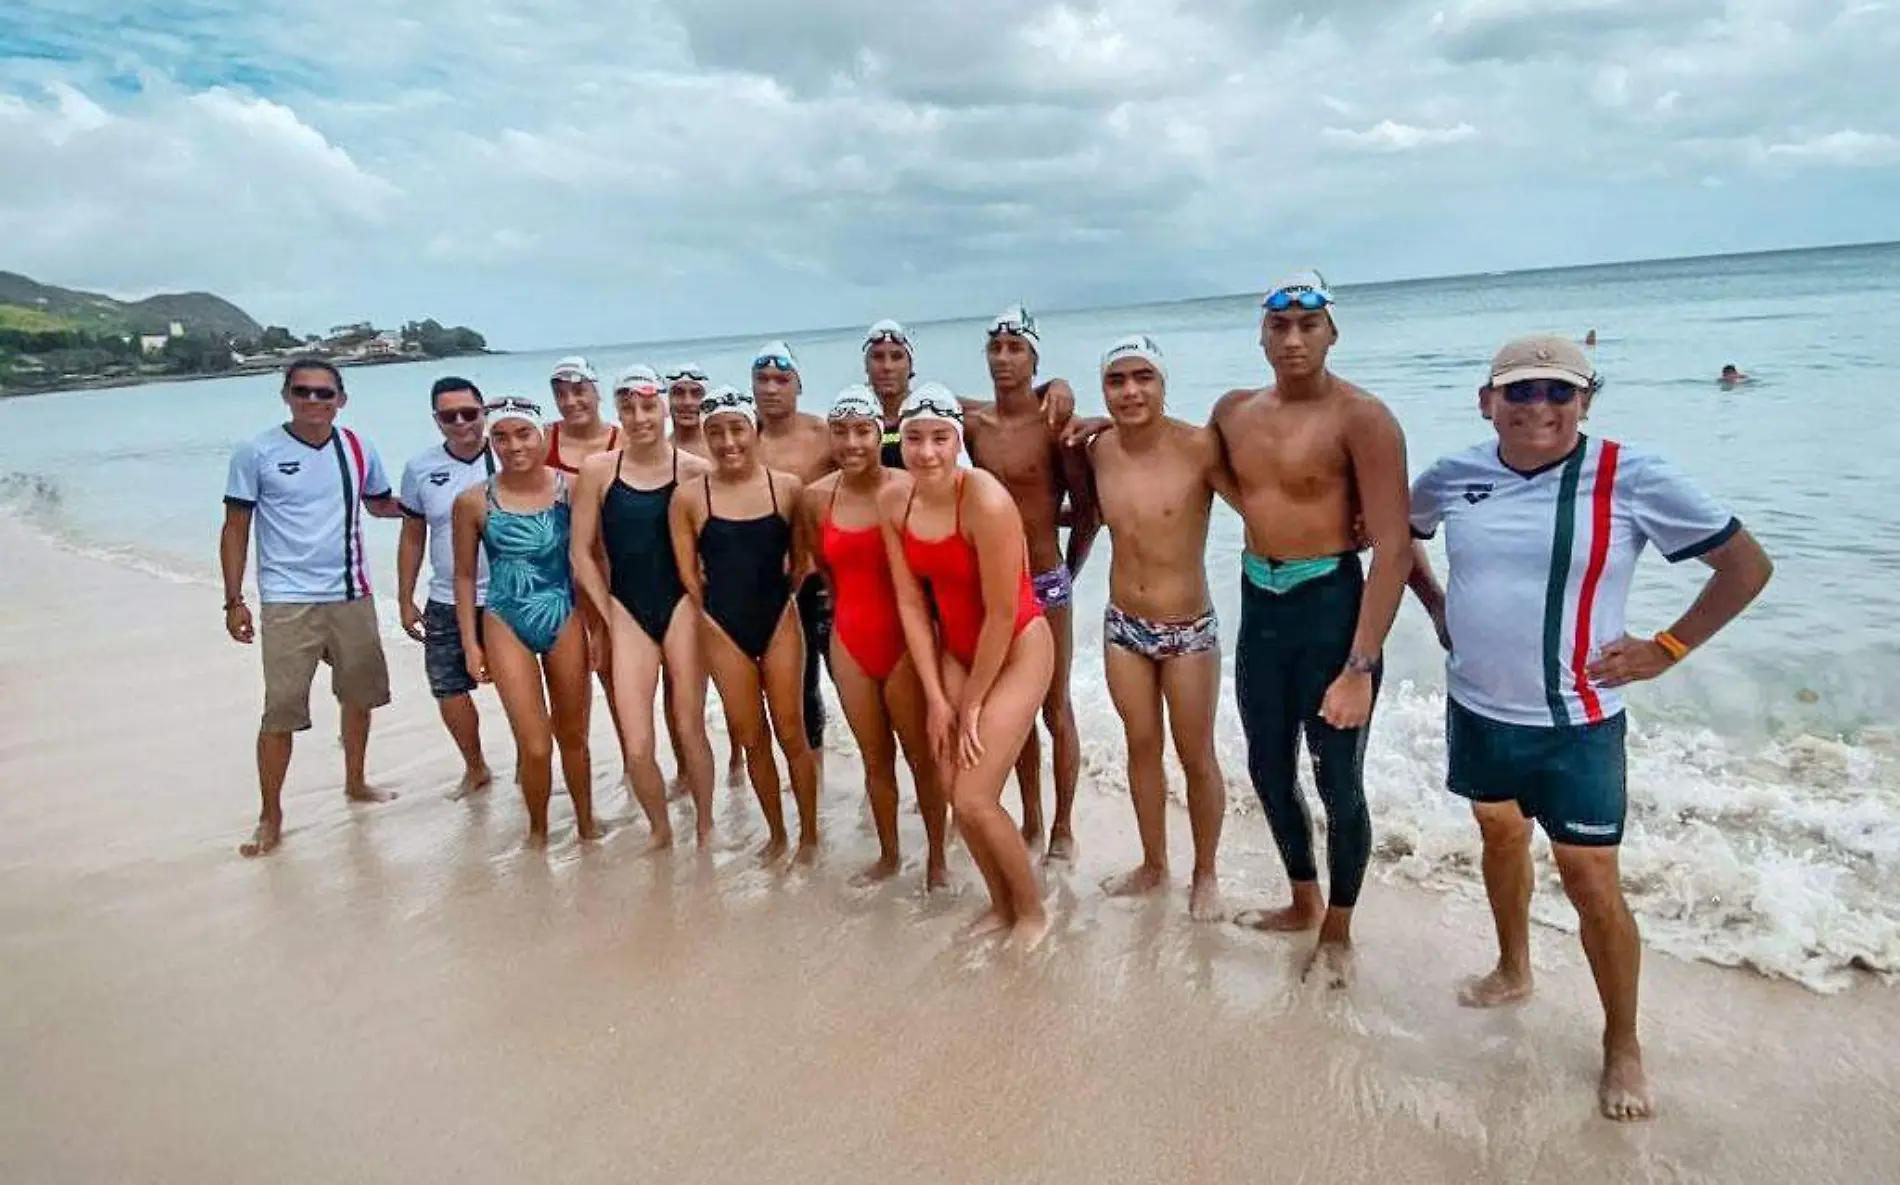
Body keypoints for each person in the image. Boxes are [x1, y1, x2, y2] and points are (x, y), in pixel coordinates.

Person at [1407, 333, 1772, 1122]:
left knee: (1590, 878)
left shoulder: (1632, 476)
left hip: (1578, 720)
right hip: (1476, 705)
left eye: (1558, 392)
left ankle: (1622, 1042)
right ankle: (1513, 968)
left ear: (1586, 401)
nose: (1539, 406)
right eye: (1521, 391)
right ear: (1487, 400)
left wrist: (1666, 648)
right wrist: (1436, 605)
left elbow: (1746, 566)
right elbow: (1398, 530)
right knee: (1498, 833)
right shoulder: (1454, 475)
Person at [1209, 271, 1413, 988]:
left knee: (1339, 780)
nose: (1293, 339)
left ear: (1332, 332)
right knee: (1267, 768)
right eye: (1279, 326)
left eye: (1308, 324)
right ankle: (1301, 898)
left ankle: (1340, 925)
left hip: (1330, 605)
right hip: (1258, 602)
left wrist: (1360, 665)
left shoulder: (1365, 418)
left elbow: (1392, 547)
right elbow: (1183, 456)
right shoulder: (1233, 411)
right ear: (1261, 334)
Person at [882, 389, 1053, 948]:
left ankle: (1032, 913)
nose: (927, 452)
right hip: (959, 652)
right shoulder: (896, 503)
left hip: (1019, 648)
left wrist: (972, 703)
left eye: (940, 438)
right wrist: (936, 696)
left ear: (958, 440)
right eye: (914, 438)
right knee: (956, 792)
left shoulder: (985, 499)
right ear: (899, 442)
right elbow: (910, 603)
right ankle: (1001, 906)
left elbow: (1003, 614)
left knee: (977, 797)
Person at [220, 358, 402, 857]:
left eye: (325, 393)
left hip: (352, 592)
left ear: (341, 399)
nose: (314, 401)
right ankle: (270, 814)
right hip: (287, 601)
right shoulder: (256, 453)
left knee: (359, 694)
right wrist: (234, 600)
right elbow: (235, 527)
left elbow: (381, 503)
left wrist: (443, 502)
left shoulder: (358, 448)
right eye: (303, 392)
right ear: (286, 395)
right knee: (280, 711)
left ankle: (357, 782)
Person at [1083, 336, 1231, 921]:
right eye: (1117, 381)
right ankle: (1153, 864)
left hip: (1188, 628)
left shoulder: (1200, 447)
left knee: (1196, 754)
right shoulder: (1098, 451)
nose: (1130, 390)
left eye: (1143, 377)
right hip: (1123, 625)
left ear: (1163, 383)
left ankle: (1206, 872)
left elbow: (1265, 505)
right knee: (1140, 746)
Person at [962, 306, 1100, 862]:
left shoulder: (1054, 430)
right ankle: (1031, 820)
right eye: (995, 348)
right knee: (1008, 711)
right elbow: (929, 403)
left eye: (1015, 348)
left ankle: (1064, 825)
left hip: (1044, 580)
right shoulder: (974, 428)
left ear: (1034, 357)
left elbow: (1089, 511)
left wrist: (1069, 570)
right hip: (992, 587)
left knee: (1054, 706)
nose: (1003, 358)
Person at [799, 385, 949, 889]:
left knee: (921, 756)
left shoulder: (909, 486)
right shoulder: (817, 498)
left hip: (908, 641)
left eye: (862, 431)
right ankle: (888, 855)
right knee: (874, 757)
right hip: (850, 639)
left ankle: (936, 860)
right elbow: (821, 568)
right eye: (840, 432)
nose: (852, 443)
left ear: (879, 432)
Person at [669, 386, 820, 861]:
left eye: (737, 429)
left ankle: (811, 835)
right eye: (715, 432)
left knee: (792, 730)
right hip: (721, 626)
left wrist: (787, 602)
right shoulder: (689, 498)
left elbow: (802, 561)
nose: (728, 441)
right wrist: (713, 619)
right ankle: (777, 834)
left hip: (778, 619)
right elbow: (689, 575)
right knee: (752, 736)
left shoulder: (787, 487)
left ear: (755, 430)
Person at [571, 365, 717, 849]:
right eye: (629, 409)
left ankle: (705, 826)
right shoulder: (598, 471)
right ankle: (660, 830)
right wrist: (606, 612)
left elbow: (714, 548)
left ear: (664, 409)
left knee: (689, 725)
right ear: (618, 412)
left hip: (680, 608)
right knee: (636, 745)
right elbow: (581, 553)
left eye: (648, 407)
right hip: (626, 609)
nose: (639, 418)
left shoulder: (694, 471)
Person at [451, 397, 597, 846]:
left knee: (573, 736)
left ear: (544, 436)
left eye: (523, 434)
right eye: (501, 436)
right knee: (534, 744)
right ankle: (538, 830)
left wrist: (600, 628)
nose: (513, 445)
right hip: (505, 619)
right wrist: (471, 645)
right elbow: (462, 575)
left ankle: (587, 825)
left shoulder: (573, 488)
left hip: (564, 614)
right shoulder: (474, 501)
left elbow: (596, 560)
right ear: (489, 442)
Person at [396, 376, 495, 800]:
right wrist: (404, 597)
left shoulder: (511, 453)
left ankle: (535, 761)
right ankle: (475, 767)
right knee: (448, 686)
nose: (461, 423)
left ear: (484, 412)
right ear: (437, 421)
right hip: (446, 597)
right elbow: (413, 534)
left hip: (506, 597)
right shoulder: (420, 468)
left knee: (518, 687)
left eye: (469, 413)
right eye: (449, 416)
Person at [750, 341, 835, 764]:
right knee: (800, 686)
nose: (771, 388)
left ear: (798, 384)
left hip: (826, 579)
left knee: (854, 678)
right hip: (775, 583)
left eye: (781, 380)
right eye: (762, 380)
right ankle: (816, 783)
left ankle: (881, 776)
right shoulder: (744, 440)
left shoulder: (825, 435)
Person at [861, 317, 1080, 466]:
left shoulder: (935, 409)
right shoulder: (854, 422)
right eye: (878, 357)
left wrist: (1054, 385)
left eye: (897, 357)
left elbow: (1004, 409)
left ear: (910, 366)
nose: (887, 366)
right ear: (866, 365)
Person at [665, 363, 712, 459]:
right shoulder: (658, 453)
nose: (687, 402)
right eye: (678, 393)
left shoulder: (722, 450)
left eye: (696, 394)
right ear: (667, 400)